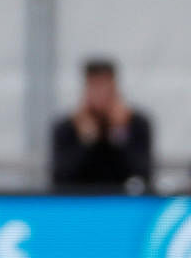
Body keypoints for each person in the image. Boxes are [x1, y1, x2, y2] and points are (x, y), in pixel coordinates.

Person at [52, 58, 152, 193]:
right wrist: (87, 139)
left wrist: (119, 132)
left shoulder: (137, 124)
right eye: (94, 86)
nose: (99, 94)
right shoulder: (67, 128)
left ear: (114, 88)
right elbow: (60, 179)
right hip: (80, 203)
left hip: (123, 202)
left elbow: (142, 175)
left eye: (104, 86)